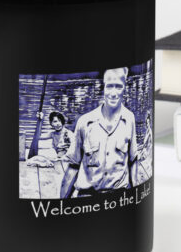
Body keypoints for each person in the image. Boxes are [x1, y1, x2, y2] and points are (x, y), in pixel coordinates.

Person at [60, 67, 140, 197]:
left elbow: (133, 161)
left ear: (125, 87)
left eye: (118, 87)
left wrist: (137, 197)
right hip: (87, 197)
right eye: (109, 87)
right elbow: (73, 166)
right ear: (103, 88)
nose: (113, 93)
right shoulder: (85, 122)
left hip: (118, 197)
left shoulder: (129, 119)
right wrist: (61, 205)